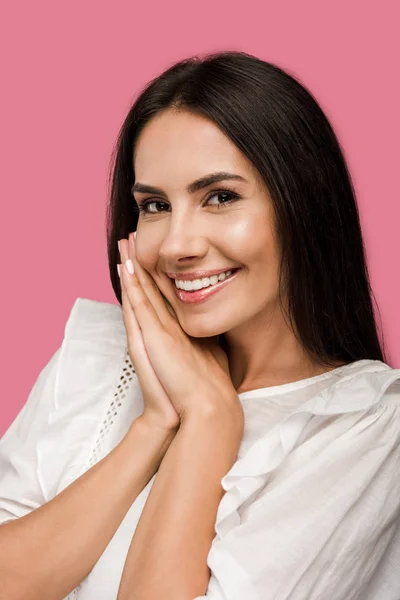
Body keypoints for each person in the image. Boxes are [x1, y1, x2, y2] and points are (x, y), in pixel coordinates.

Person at [0, 50, 399, 600]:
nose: (179, 246)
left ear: (302, 203)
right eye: (155, 206)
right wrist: (156, 424)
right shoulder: (100, 357)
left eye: (220, 197)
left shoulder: (366, 428)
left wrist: (210, 418)